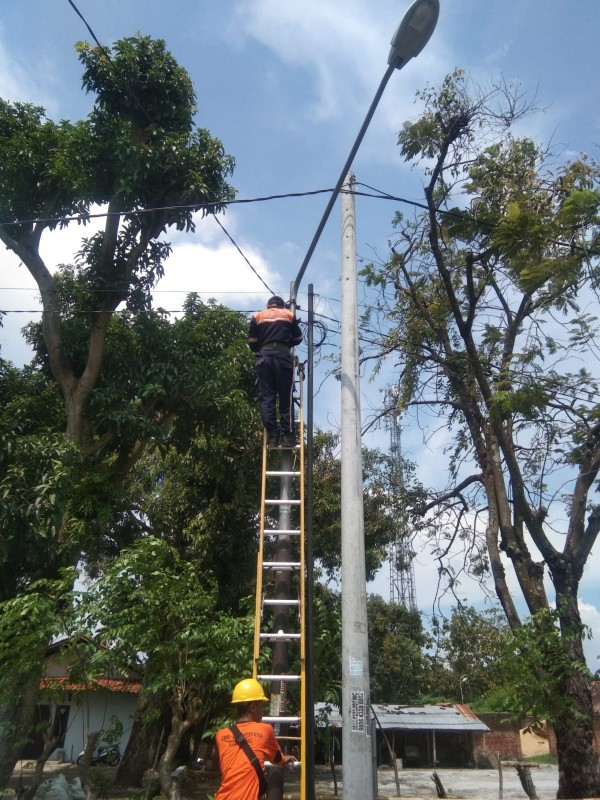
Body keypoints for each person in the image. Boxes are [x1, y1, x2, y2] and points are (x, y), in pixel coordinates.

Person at [214, 678, 296, 800]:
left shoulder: (221, 735)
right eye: (261, 707)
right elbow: (277, 759)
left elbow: (224, 765)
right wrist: (285, 758)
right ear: (252, 707)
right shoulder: (265, 730)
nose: (263, 712)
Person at [247, 296, 302, 447]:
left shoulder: (258, 316)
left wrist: (263, 346)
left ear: (268, 305)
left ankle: (272, 436)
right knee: (286, 398)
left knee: (266, 399)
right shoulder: (288, 315)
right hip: (283, 359)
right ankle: (288, 436)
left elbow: (252, 343)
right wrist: (286, 343)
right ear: (282, 305)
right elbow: (298, 338)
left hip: (264, 360)